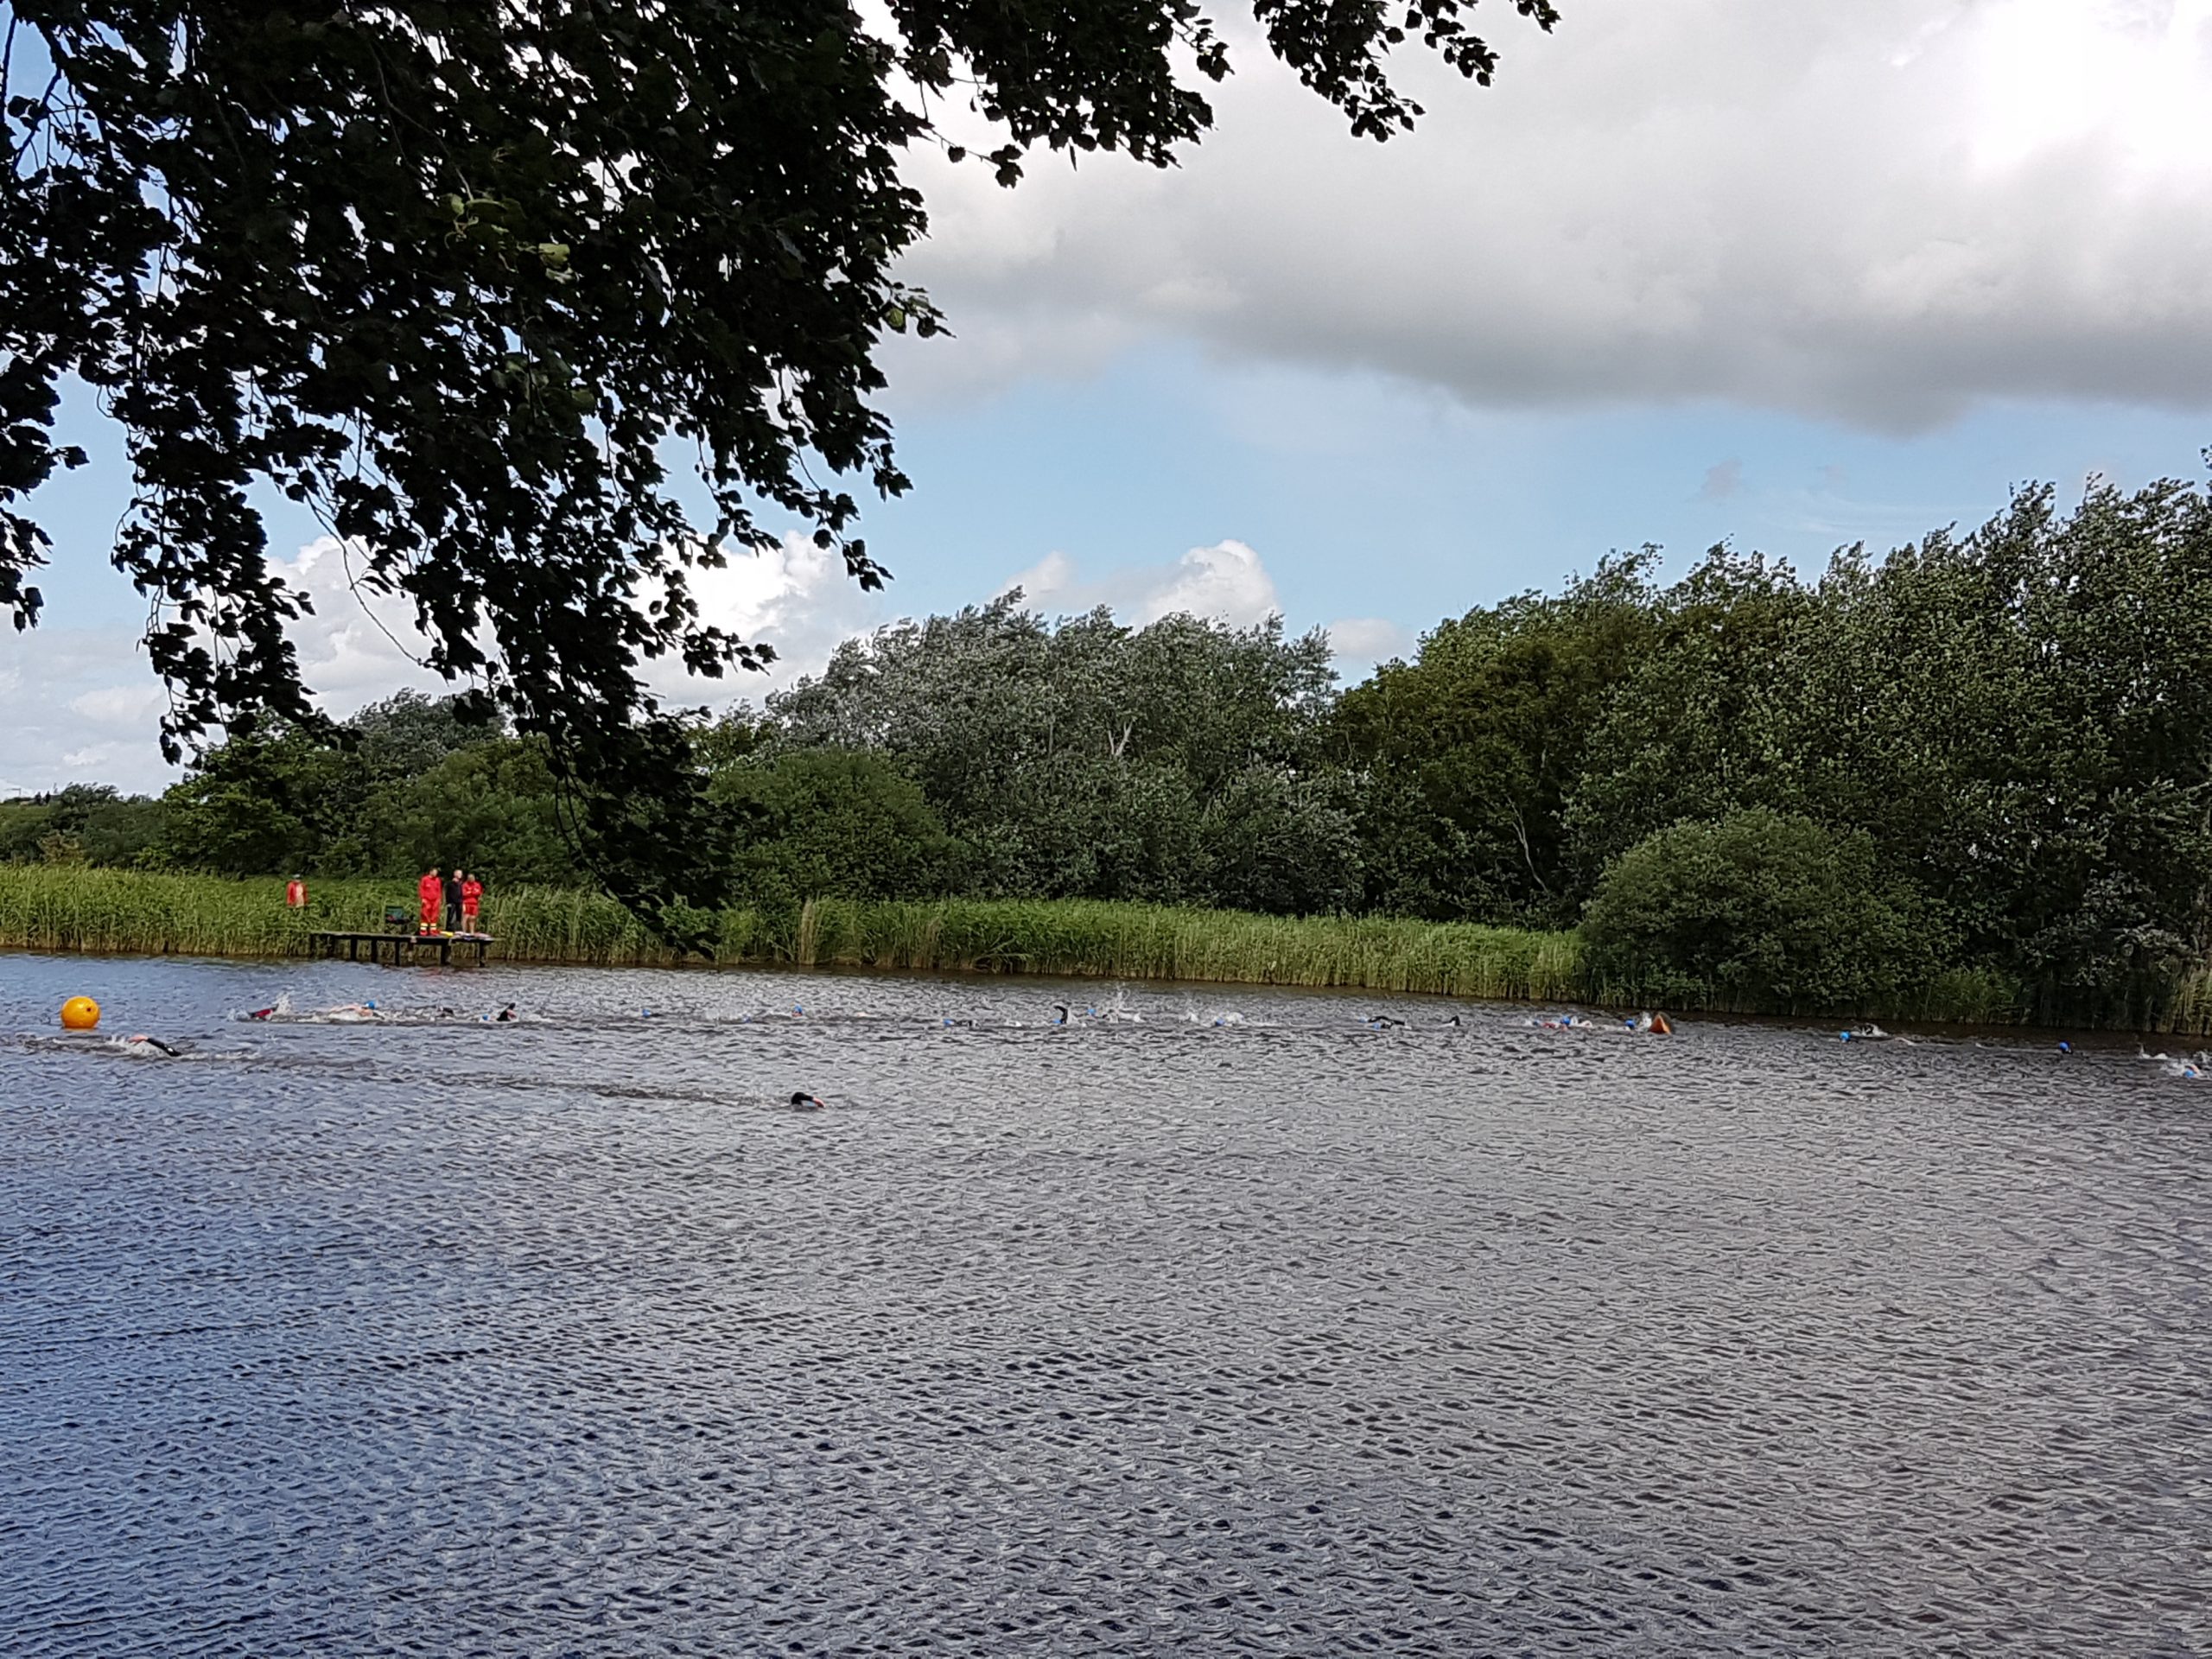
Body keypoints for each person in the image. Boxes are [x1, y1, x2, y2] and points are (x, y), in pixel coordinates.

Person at [417, 867, 442, 934]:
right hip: (427, 900)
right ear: (430, 872)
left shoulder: (437, 880)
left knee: (434, 916)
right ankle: (423, 931)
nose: (435, 874)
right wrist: (423, 898)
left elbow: (439, 890)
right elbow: (421, 889)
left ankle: (433, 931)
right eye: (434, 872)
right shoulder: (425, 879)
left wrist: (439, 899)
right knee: (425, 915)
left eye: (436, 872)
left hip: (435, 900)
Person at [461, 871, 483, 936]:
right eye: (470, 878)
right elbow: (464, 894)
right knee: (465, 917)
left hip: (474, 903)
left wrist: (470, 892)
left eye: (473, 878)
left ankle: (472, 932)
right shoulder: (465, 885)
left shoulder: (477, 885)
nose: (472, 879)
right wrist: (473, 892)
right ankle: (464, 932)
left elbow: (479, 893)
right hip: (466, 903)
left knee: (473, 918)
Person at [443, 868, 465, 933]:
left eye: (461, 874)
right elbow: (447, 893)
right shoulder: (450, 883)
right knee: (451, 916)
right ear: (455, 874)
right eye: (459, 873)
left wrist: (462, 902)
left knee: (458, 917)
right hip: (452, 902)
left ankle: (457, 929)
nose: (460, 875)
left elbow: (461, 893)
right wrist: (448, 902)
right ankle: (448, 929)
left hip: (459, 902)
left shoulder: (460, 884)